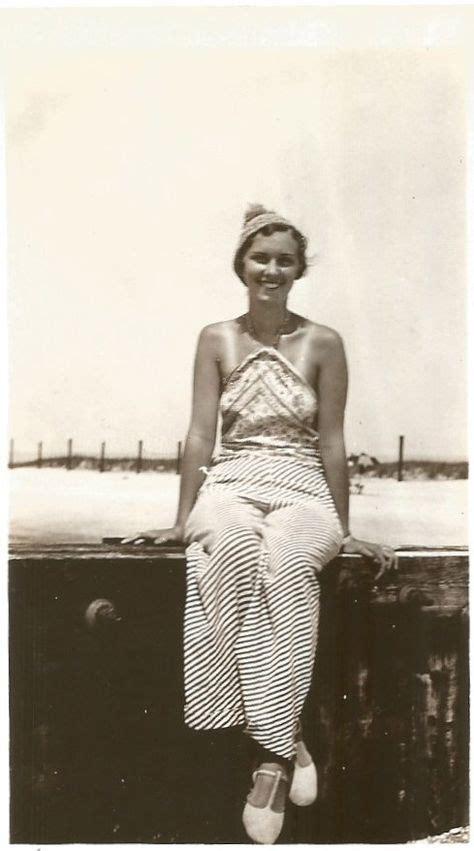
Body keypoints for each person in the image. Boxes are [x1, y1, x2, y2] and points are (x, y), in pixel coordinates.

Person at [123, 204, 397, 843]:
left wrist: (345, 527)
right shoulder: (215, 338)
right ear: (241, 265)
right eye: (260, 258)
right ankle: (284, 738)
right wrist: (180, 517)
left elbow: (331, 441)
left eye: (285, 261)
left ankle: (269, 762)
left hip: (303, 485)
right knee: (224, 549)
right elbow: (199, 434)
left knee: (289, 564)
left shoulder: (324, 342)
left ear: (299, 271)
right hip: (232, 482)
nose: (271, 270)